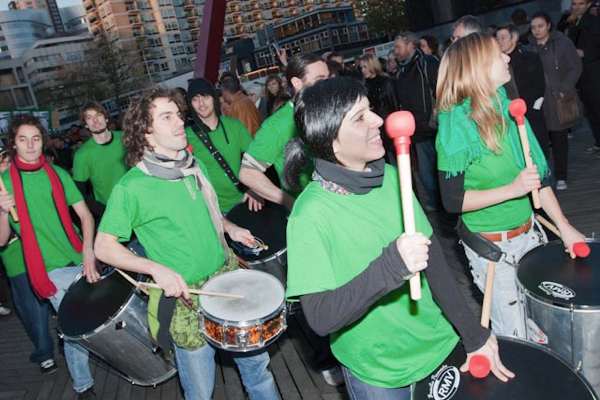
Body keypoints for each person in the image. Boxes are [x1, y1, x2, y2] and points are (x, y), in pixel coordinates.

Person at [283, 77, 513, 398]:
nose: (379, 120)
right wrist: (390, 266)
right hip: (377, 370)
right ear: (333, 141)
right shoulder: (309, 215)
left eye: (370, 110)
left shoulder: (393, 177)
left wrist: (473, 334)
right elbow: (321, 317)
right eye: (360, 118)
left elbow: (435, 265)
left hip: (437, 343)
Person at [94, 86, 278, 400]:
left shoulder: (192, 165)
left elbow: (208, 210)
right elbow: (104, 247)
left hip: (227, 279)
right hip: (187, 299)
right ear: (147, 134)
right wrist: (156, 270)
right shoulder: (131, 187)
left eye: (178, 114)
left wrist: (229, 227)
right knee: (200, 392)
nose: (180, 121)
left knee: (258, 371)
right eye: (167, 117)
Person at [436, 33, 585, 338]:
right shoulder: (455, 128)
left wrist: (565, 227)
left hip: (530, 235)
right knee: (516, 333)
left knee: (544, 325)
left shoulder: (508, 109)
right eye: (498, 56)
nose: (507, 58)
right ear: (477, 68)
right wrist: (512, 190)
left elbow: (538, 176)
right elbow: (453, 200)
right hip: (493, 249)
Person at [0, 114, 98, 398]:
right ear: (13, 144)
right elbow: (3, 239)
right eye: (23, 139)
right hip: (47, 269)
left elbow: (84, 215)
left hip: (78, 257)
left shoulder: (57, 173)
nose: (30, 146)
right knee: (75, 324)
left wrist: (88, 252)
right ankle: (83, 386)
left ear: (42, 141)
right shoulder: (4, 184)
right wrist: (4, 211)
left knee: (92, 320)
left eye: (35, 139)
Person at [239, 53, 329, 210]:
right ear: (297, 83)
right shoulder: (278, 124)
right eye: (320, 80)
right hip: (312, 212)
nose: (327, 85)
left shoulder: (329, 110)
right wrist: (291, 203)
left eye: (328, 79)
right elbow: (248, 173)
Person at [0, 150, 57, 373]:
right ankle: (44, 353)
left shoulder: (24, 184)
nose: (5, 167)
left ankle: (67, 343)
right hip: (16, 260)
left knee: (57, 302)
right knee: (31, 310)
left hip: (44, 253)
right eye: (1, 163)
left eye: (8, 162)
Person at [185, 78, 262, 213]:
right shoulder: (187, 137)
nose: (201, 104)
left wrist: (255, 189)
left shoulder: (235, 125)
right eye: (195, 99)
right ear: (191, 104)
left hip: (247, 201)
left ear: (214, 98)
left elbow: (254, 159)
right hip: (216, 211)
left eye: (205, 97)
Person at [528, 12, 582, 190]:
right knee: (540, 139)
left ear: (549, 25)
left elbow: (575, 66)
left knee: (559, 139)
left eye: (540, 26)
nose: (537, 30)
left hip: (558, 99)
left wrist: (564, 88)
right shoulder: (529, 48)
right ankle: (545, 172)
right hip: (538, 102)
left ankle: (561, 175)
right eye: (534, 27)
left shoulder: (562, 43)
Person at [394, 31, 441, 211]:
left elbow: (440, 91)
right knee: (425, 173)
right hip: (416, 132)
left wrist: (435, 119)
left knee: (440, 170)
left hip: (433, 127)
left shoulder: (427, 63)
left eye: (398, 46)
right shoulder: (401, 71)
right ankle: (436, 202)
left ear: (410, 45)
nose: (396, 51)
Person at [496, 24, 550, 158]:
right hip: (508, 115)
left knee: (539, 153)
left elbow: (539, 86)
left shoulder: (530, 58)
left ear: (514, 38)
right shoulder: (496, 63)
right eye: (497, 38)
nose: (500, 41)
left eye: (503, 37)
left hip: (531, 111)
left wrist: (526, 105)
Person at [73, 102, 128, 218]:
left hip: (140, 202)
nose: (95, 120)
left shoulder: (126, 139)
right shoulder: (82, 155)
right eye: (89, 118)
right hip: (113, 212)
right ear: (86, 124)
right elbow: (79, 192)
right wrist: (103, 212)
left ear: (106, 118)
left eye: (98, 115)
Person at [568, 0, 600, 154]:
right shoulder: (574, 22)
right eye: (574, 3)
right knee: (591, 111)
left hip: (593, 73)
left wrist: (585, 54)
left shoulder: (594, 21)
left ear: (588, 4)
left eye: (581, 3)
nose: (577, 7)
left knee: (596, 110)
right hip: (583, 76)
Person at [359, 53, 398, 161]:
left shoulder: (386, 82)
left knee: (396, 157)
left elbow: (395, 104)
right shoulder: (364, 86)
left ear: (372, 65)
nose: (363, 70)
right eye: (361, 67)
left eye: (365, 67)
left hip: (389, 125)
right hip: (374, 128)